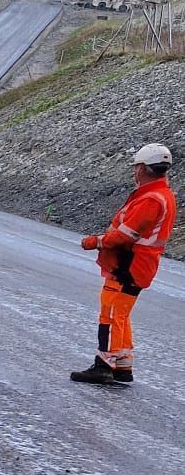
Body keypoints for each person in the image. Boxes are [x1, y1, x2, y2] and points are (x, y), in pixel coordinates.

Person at [70, 142, 176, 386]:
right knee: (121, 314)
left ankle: (104, 365)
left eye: (136, 167)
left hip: (129, 265)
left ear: (142, 168)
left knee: (111, 313)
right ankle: (122, 364)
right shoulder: (161, 195)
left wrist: (94, 241)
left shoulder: (151, 198)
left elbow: (125, 235)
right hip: (138, 265)